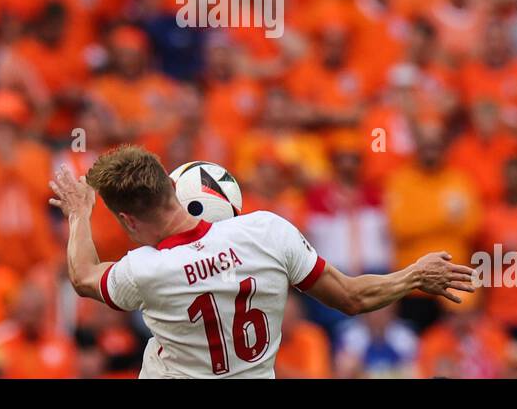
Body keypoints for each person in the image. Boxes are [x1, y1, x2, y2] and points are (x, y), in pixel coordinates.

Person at [47, 144, 475, 378]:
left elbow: (84, 276)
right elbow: (351, 297)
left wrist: (79, 214)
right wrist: (414, 274)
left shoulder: (145, 270)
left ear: (128, 220)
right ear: (175, 191)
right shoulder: (267, 231)